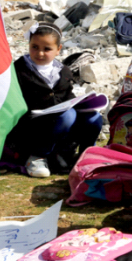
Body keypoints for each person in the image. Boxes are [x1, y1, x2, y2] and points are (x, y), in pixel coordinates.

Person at [12, 22, 103, 178]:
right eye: (35, 47)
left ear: (58, 50)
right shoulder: (19, 69)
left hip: (61, 122)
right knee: (68, 116)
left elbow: (67, 95)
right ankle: (37, 156)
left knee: (95, 117)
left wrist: (83, 103)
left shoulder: (63, 71)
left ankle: (85, 156)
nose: (40, 53)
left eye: (47, 49)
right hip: (34, 126)